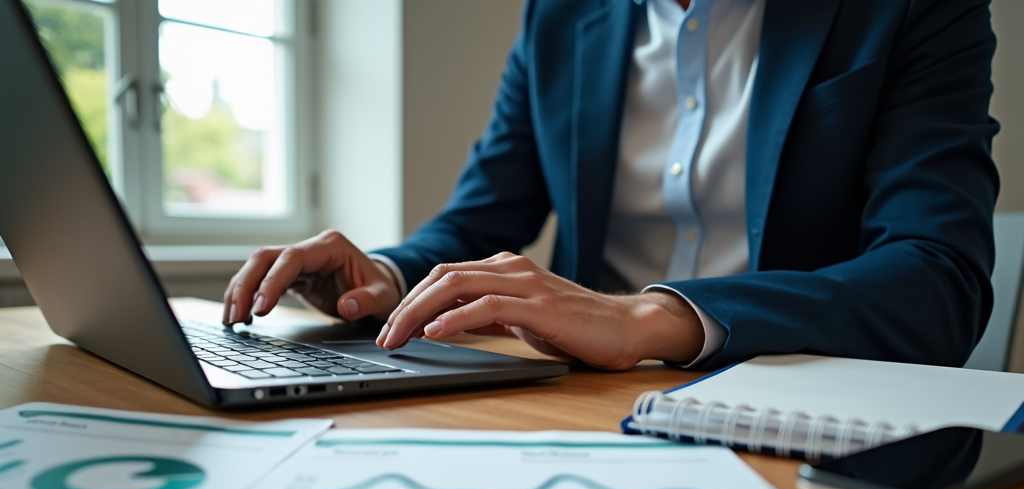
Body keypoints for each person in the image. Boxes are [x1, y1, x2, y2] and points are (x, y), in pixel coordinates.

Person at [222, 0, 999, 371]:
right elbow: (481, 216)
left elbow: (940, 279)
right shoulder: (559, 20)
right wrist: (384, 279)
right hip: (585, 404)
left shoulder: (916, 11)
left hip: (798, 399)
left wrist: (649, 317)